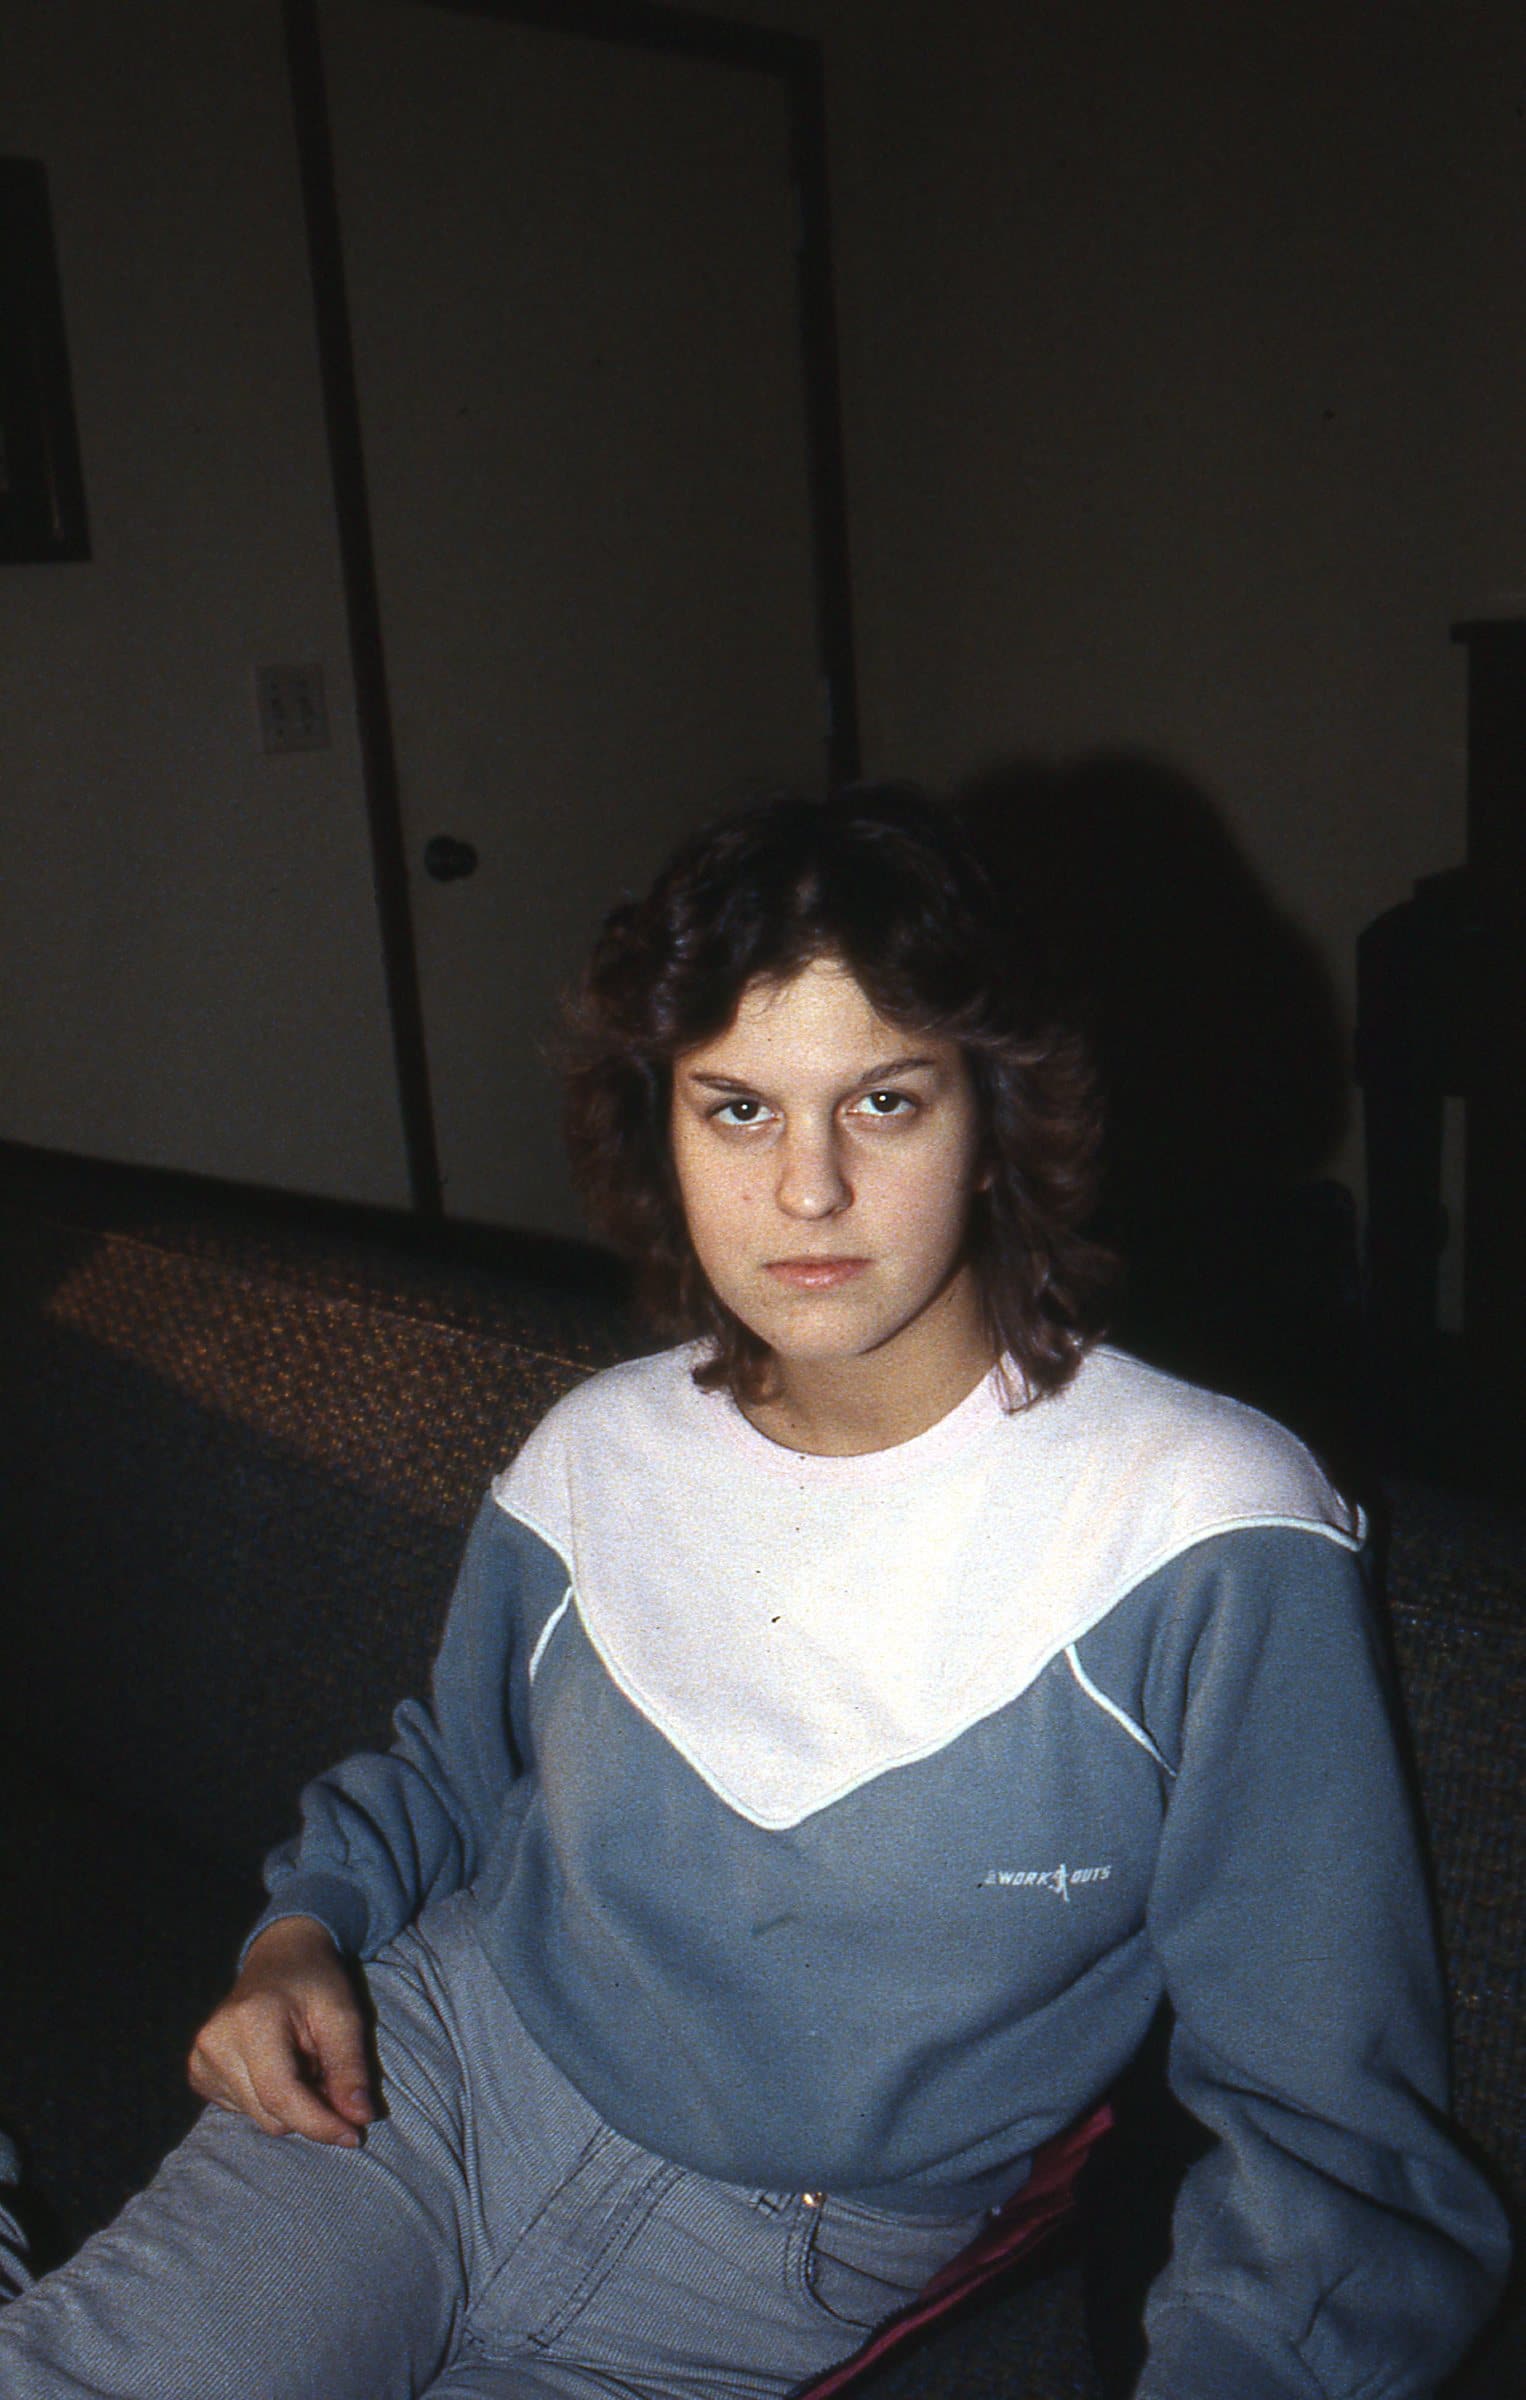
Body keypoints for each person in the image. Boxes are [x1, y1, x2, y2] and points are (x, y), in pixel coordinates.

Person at [0, 787, 1508, 2398]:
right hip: (420, 2088)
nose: (805, 1191)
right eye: (735, 1109)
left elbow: (1316, 2106)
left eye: (883, 1102)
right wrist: (301, 1934)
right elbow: (448, 1766)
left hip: (765, 2273)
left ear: (994, 1116)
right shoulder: (590, 1455)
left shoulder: (1205, 1525)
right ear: (658, 1126)